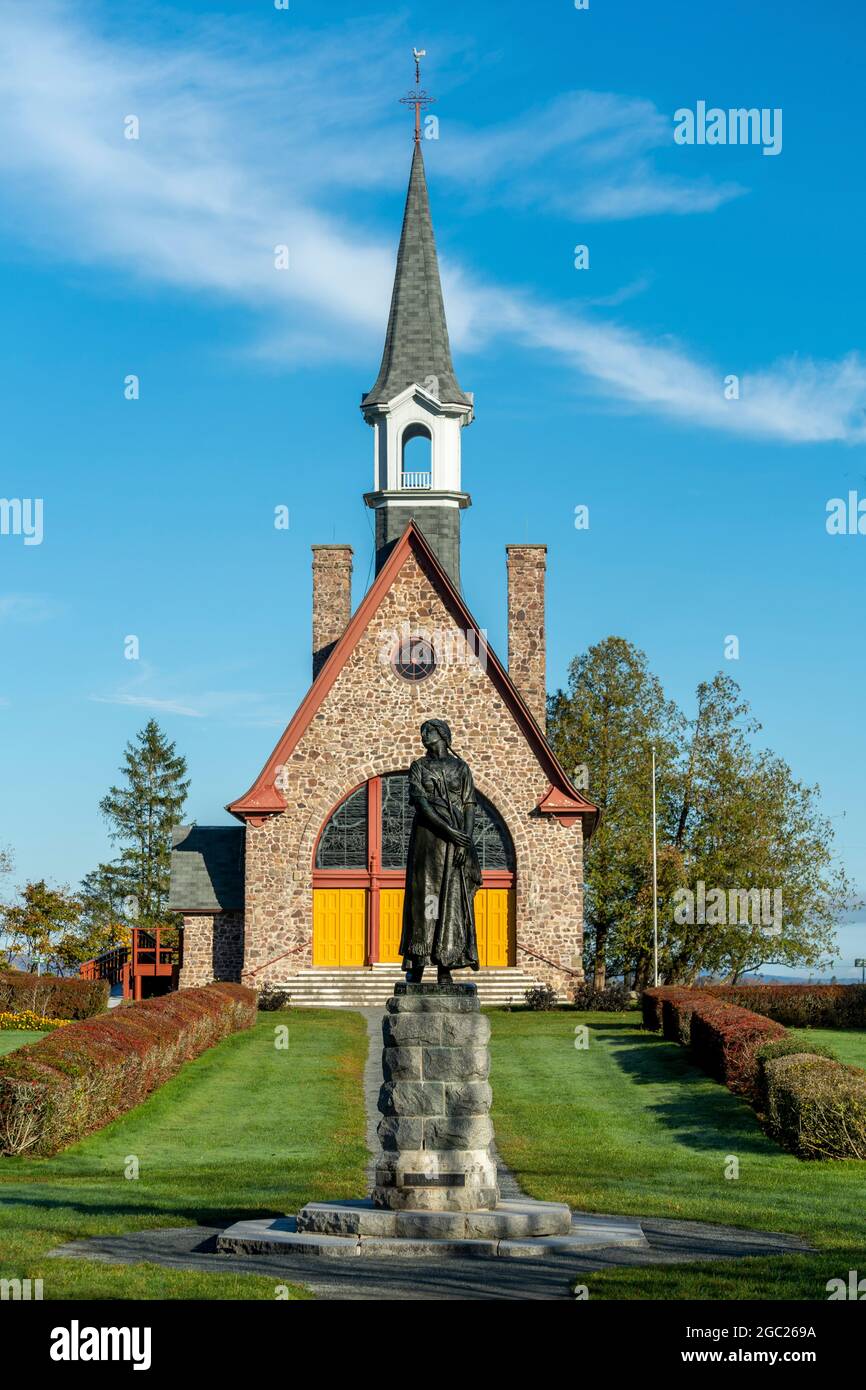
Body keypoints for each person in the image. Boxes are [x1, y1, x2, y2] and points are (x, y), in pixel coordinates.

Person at [400, 719, 481, 984]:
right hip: (429, 839)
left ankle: (446, 962)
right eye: (423, 731)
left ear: (443, 735)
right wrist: (449, 831)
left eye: (429, 731)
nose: (424, 735)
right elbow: (421, 804)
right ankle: (419, 961)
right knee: (427, 898)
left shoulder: (461, 768)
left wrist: (464, 842)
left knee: (451, 899)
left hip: (456, 841)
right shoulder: (419, 767)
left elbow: (469, 805)